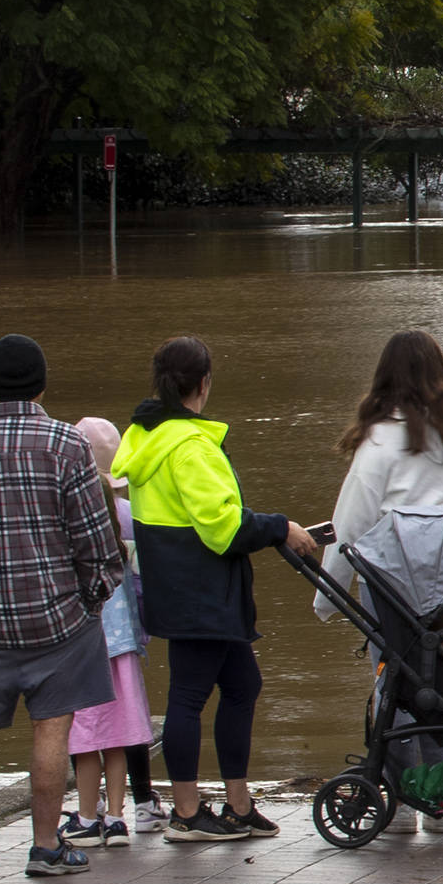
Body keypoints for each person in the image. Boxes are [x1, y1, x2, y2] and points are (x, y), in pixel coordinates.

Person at [0, 334, 126, 879]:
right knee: (51, 730)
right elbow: (95, 542)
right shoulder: (67, 445)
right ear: (41, 384)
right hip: (58, 618)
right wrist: (92, 599)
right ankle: (45, 847)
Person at [113, 336, 319, 843]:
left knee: (242, 685)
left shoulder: (148, 437)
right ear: (204, 383)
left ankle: (237, 805)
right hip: (200, 592)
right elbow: (222, 528)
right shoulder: (188, 446)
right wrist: (279, 527)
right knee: (188, 697)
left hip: (183, 587)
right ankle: (186, 813)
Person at [322, 331, 443, 832]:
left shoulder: (380, 442)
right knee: (439, 677)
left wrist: (328, 596)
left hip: (390, 576)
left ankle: (404, 803)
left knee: (395, 681)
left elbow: (351, 525)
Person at [62, 417, 157, 845]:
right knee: (119, 733)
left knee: (82, 736)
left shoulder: (66, 519)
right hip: (122, 643)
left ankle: (87, 816)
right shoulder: (129, 515)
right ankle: (121, 815)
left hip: (80, 643)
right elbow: (140, 582)